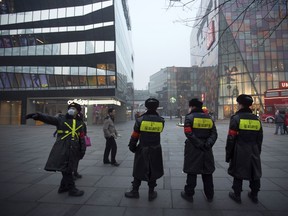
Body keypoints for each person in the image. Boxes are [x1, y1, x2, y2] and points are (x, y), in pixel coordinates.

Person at [26, 103, 86, 196]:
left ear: (78, 111)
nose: (71, 109)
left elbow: (81, 137)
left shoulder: (80, 122)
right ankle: (72, 189)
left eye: (74, 108)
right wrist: (38, 116)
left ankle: (63, 187)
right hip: (62, 147)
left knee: (68, 167)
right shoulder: (61, 119)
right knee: (67, 169)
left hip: (74, 148)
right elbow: (50, 119)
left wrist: (83, 149)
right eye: (70, 108)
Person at [125, 98, 165, 201]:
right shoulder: (161, 120)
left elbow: (135, 135)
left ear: (146, 107)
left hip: (143, 147)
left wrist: (132, 146)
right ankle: (151, 193)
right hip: (156, 148)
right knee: (153, 169)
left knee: (139, 168)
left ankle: (135, 191)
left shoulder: (140, 120)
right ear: (157, 107)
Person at [226, 94, 263, 204]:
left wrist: (229, 153)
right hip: (254, 149)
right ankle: (254, 195)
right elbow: (260, 138)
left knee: (238, 172)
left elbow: (231, 138)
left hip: (240, 149)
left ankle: (237, 195)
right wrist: (258, 150)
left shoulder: (236, 119)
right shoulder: (257, 120)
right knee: (254, 172)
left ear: (240, 104)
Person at [181, 98, 218, 202]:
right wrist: (208, 143)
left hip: (193, 148)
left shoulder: (189, 117)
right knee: (207, 172)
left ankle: (189, 194)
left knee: (191, 171)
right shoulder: (209, 118)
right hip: (207, 148)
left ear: (192, 107)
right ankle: (209, 195)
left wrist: (199, 143)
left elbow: (188, 133)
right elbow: (214, 133)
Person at [73, 112, 87, 180]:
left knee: (76, 159)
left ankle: (74, 172)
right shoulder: (78, 123)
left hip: (79, 143)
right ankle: (73, 173)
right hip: (76, 143)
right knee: (74, 159)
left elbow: (84, 133)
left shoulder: (80, 123)